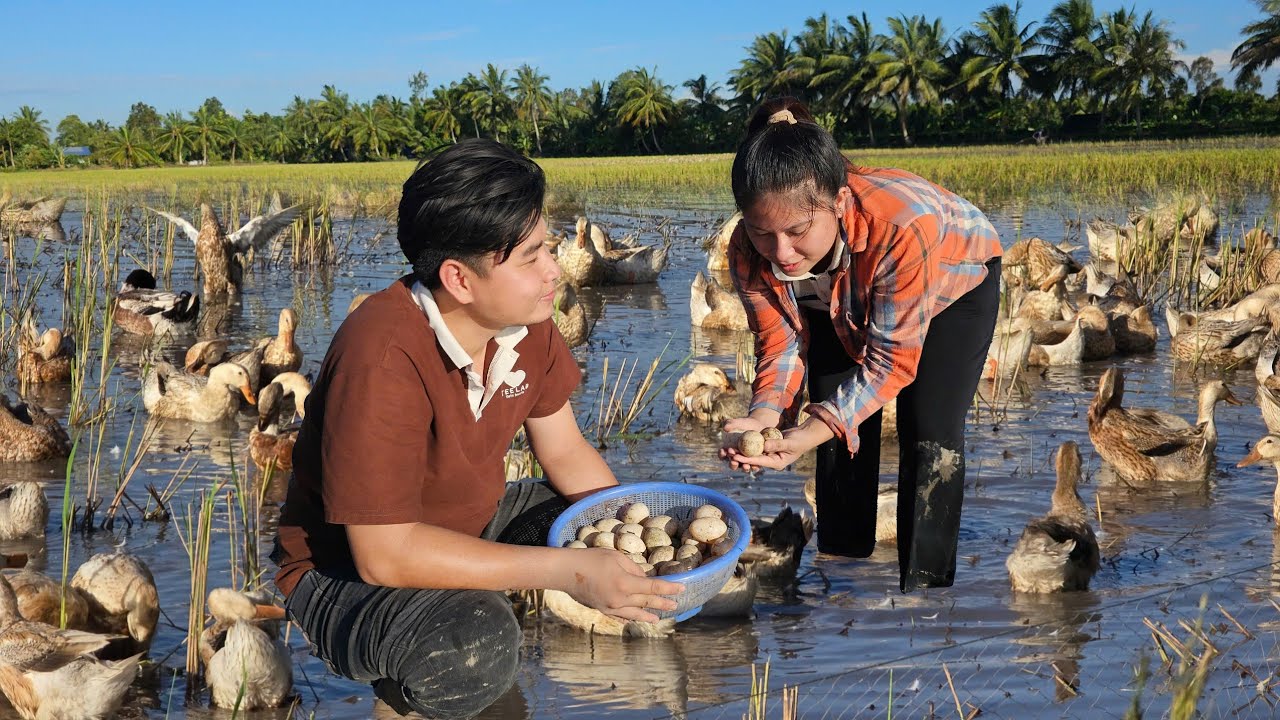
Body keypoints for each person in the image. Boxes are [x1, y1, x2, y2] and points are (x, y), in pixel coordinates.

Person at [272, 139, 683, 719]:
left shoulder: (526, 321)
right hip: (341, 574)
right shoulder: (381, 358)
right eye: (531, 258)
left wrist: (627, 538)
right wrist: (571, 572)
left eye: (548, 249)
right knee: (478, 641)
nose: (553, 272)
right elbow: (384, 556)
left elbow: (565, 451)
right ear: (459, 280)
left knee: (587, 514)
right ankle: (407, 693)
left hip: (466, 522)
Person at [719, 98, 1003, 593]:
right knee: (830, 411)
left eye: (797, 231)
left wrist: (812, 430)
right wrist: (765, 416)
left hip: (951, 284)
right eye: (764, 233)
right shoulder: (747, 247)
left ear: (839, 202)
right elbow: (778, 344)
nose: (782, 253)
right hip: (836, 293)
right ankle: (843, 577)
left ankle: (926, 592)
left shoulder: (900, 227)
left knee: (928, 430)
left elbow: (890, 364)